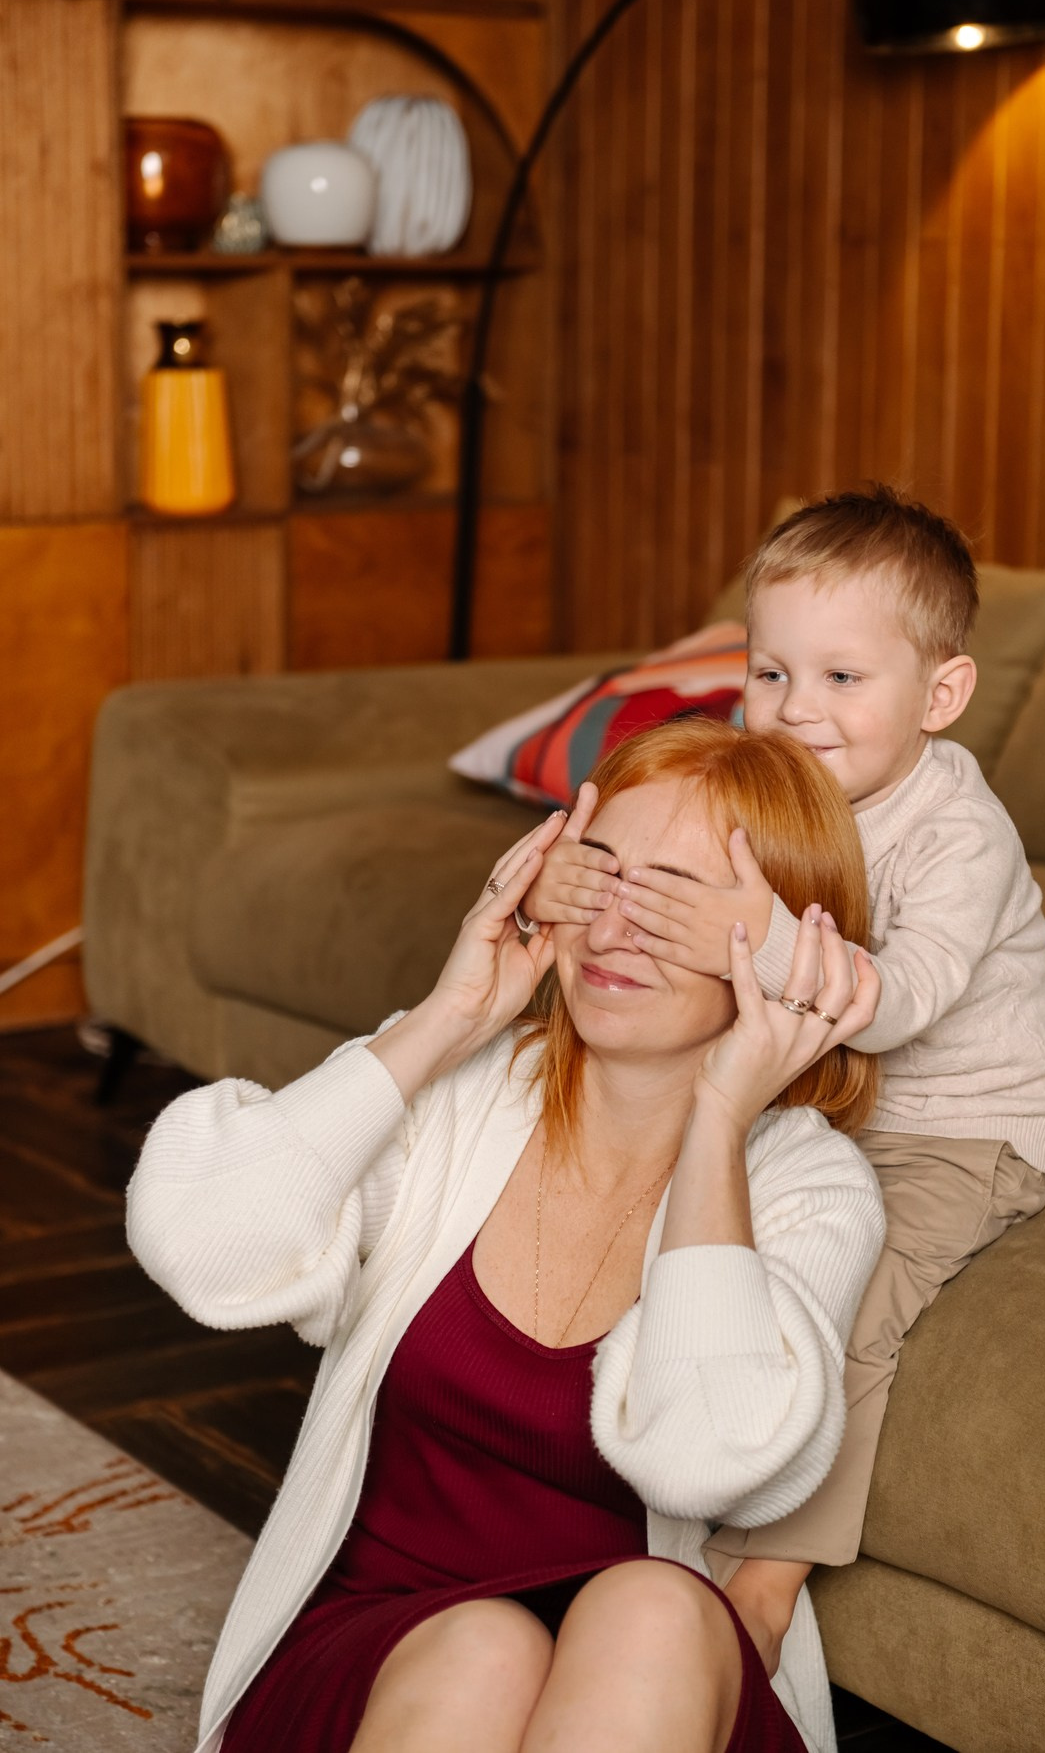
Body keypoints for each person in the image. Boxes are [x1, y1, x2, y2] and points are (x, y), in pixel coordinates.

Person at [127, 718, 886, 1753]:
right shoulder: (462, 1094)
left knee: (652, 1605)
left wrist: (716, 1119)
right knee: (481, 1649)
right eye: (596, 874)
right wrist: (448, 1015)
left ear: (798, 948)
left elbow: (705, 1458)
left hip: (654, 1685)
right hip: (386, 1643)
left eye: (673, 899)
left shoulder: (807, 1184)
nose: (616, 926)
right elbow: (202, 1239)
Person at [522, 485, 1045, 1584]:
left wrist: (761, 935)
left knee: (848, 1311)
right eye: (769, 673)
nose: (795, 708)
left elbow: (905, 1000)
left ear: (942, 691)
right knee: (677, 1236)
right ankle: (599, 1474)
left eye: (841, 677)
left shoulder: (957, 833)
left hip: (959, 1127)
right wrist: (576, 884)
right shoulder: (763, 790)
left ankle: (769, 1583)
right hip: (817, 1097)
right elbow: (659, 887)